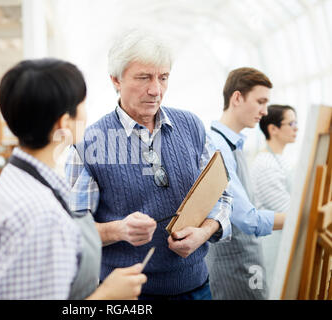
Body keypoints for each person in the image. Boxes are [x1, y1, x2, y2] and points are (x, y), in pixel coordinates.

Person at [65, 29, 232, 300]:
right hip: (129, 296)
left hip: (197, 288)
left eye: (163, 78)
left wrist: (204, 231)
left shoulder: (191, 126)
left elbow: (222, 194)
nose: (156, 90)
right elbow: (73, 232)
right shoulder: (89, 144)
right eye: (144, 78)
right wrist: (118, 230)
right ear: (116, 80)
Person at [0, 58, 147, 300]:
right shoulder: (43, 215)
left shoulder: (15, 178)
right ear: (64, 123)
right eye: (82, 105)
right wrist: (108, 295)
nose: (87, 115)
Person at [205, 67, 286, 300]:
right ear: (237, 98)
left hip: (245, 260)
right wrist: (302, 218)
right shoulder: (218, 147)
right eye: (260, 102)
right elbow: (247, 219)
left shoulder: (234, 145)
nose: (265, 111)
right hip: (233, 266)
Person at [251, 105, 298, 287]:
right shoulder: (265, 165)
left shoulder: (281, 159)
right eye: (291, 123)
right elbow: (288, 210)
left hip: (284, 241)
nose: (296, 128)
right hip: (274, 246)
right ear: (273, 129)